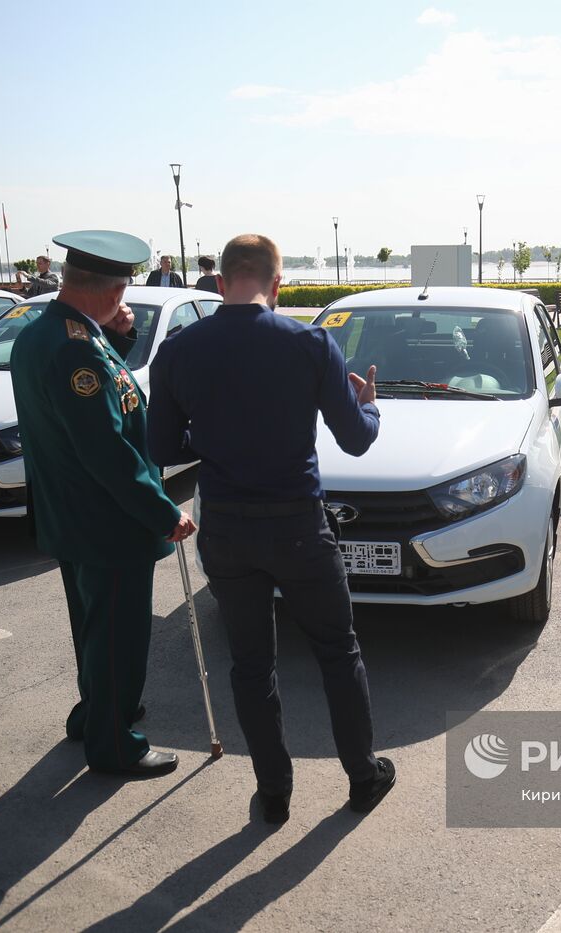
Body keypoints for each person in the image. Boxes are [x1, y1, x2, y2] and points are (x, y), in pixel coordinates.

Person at [147, 233, 394, 823]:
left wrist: (213, 437)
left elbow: (162, 447)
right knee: (337, 650)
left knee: (251, 664)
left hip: (227, 531)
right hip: (299, 528)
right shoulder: (310, 343)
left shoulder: (179, 351)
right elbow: (356, 440)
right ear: (277, 284)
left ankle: (274, 792)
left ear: (221, 281)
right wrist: (370, 405)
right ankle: (363, 776)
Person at [10, 229, 197, 778]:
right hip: (109, 521)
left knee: (94, 627)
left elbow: (96, 404)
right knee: (118, 635)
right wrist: (163, 512)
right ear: (113, 290)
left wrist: (115, 337)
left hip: (73, 515)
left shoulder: (45, 333)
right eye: (123, 292)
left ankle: (94, 713)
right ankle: (115, 744)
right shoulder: (76, 349)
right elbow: (106, 449)